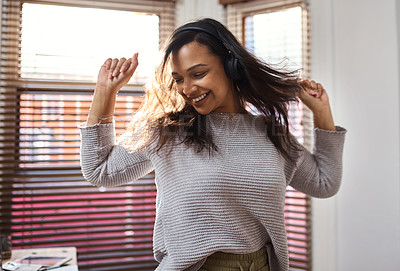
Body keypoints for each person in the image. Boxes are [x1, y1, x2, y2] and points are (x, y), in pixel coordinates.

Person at [79, 18, 346, 271]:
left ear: (232, 66)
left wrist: (322, 112)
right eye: (180, 79)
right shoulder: (169, 132)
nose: (187, 88)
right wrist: (106, 91)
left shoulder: (271, 133)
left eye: (198, 73)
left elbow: (324, 183)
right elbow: (99, 170)